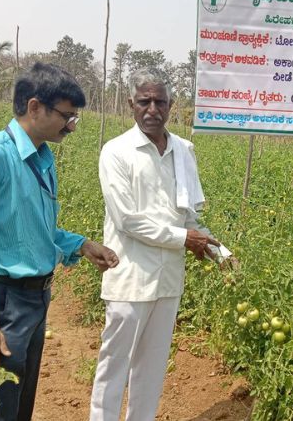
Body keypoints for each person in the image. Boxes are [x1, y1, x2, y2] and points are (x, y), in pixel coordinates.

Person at [0, 62, 119, 421]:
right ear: (34, 107)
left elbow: (32, 229)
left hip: (35, 298)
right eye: (66, 116)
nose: (71, 125)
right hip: (1, 302)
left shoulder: (41, 157)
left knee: (19, 404)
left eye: (75, 118)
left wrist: (81, 245)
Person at [90, 67, 236, 421]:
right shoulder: (117, 152)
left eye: (160, 101)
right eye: (145, 101)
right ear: (131, 104)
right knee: (115, 366)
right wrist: (185, 238)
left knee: (152, 368)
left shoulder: (184, 151)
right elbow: (128, 219)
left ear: (171, 105)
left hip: (168, 278)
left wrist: (220, 253)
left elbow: (188, 217)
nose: (152, 109)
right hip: (130, 276)